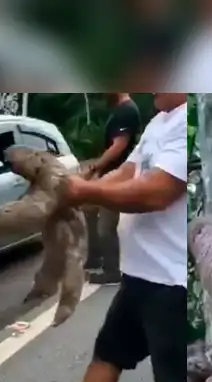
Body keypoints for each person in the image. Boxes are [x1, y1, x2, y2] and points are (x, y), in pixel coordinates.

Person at [24, 93, 189, 382]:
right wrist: (81, 191)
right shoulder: (159, 122)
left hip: (173, 278)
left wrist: (85, 193)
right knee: (111, 349)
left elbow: (157, 191)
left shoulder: (191, 121)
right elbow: (130, 173)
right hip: (142, 271)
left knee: (181, 379)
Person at [84, 93, 142, 285]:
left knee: (106, 226)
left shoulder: (126, 111)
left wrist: (95, 167)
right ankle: (94, 256)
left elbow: (118, 146)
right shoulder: (118, 110)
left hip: (118, 177)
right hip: (109, 175)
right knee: (89, 209)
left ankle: (112, 270)